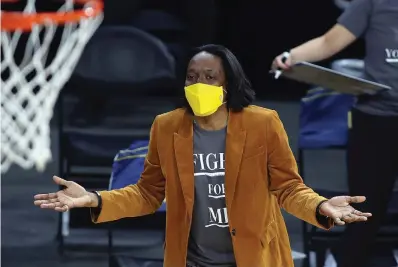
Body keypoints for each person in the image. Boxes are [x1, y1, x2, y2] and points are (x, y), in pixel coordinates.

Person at [34, 44, 371, 267]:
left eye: (210, 77)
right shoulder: (167, 127)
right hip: (192, 260)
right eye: (192, 77)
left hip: (254, 258)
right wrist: (94, 199)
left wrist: (319, 206)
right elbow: (148, 193)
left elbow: (287, 188)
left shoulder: (263, 123)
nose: (199, 84)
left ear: (229, 85)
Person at [271, 1, 398, 266]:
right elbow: (330, 42)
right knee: (365, 212)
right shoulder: (374, 3)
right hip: (377, 119)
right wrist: (290, 56)